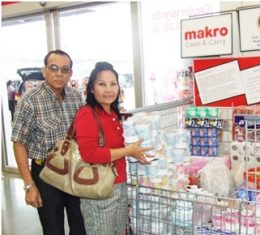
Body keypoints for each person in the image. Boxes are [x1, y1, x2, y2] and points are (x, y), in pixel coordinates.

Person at [11, 50, 86, 235]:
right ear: (44, 70)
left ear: (70, 73)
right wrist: (29, 186)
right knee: (53, 229)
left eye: (64, 69)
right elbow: (19, 143)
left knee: (81, 226)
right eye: (53, 68)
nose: (59, 74)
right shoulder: (29, 100)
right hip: (45, 174)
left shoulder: (76, 97)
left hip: (74, 170)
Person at [74, 61, 153, 235]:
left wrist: (134, 153)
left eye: (113, 84)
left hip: (119, 185)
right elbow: (90, 154)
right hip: (99, 190)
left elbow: (111, 147)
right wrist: (127, 151)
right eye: (102, 84)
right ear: (92, 88)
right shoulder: (87, 113)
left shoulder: (112, 113)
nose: (108, 89)